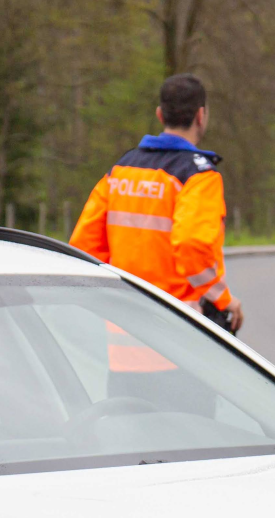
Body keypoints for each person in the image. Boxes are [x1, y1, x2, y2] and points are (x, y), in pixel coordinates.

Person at [71, 73, 243, 332]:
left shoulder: (121, 169)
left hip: (122, 330)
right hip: (177, 333)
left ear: (160, 115)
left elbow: (84, 246)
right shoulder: (198, 176)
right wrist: (222, 299)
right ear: (200, 116)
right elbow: (191, 245)